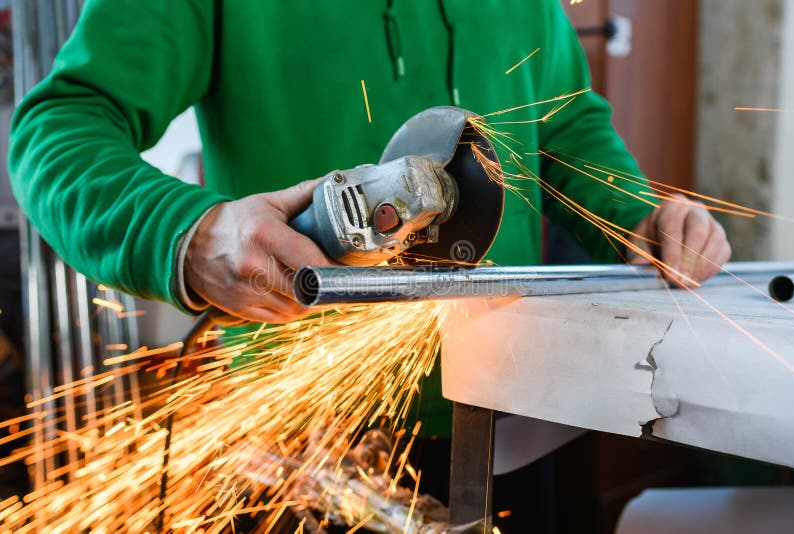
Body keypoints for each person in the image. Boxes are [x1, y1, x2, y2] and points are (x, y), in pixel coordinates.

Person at [8, 0, 730, 522]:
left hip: (521, 412)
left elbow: (565, 120)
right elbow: (58, 127)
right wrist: (189, 233)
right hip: (306, 449)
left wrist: (639, 216)